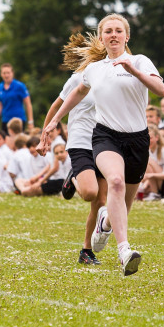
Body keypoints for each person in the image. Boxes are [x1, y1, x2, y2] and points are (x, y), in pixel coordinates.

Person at [41, 13, 164, 276]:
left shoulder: (140, 61)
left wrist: (133, 70)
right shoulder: (94, 70)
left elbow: (161, 90)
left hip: (138, 140)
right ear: (101, 37)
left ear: (126, 36)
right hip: (105, 137)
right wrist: (54, 122)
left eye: (118, 31)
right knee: (115, 184)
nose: (113, 35)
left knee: (122, 204)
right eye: (108, 31)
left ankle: (105, 223)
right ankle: (124, 251)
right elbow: (77, 91)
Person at [37, 32, 108, 265]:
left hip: (105, 142)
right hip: (80, 140)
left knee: (100, 202)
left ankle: (86, 251)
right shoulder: (78, 78)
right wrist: (45, 135)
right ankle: (73, 177)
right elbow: (57, 106)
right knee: (89, 193)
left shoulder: (113, 77)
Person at [0, 64, 34, 133]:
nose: (6, 75)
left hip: (18, 121)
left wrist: (30, 121)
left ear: (12, 73)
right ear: (1, 74)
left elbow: (28, 104)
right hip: (5, 120)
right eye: (4, 73)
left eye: (8, 73)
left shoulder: (20, 86)